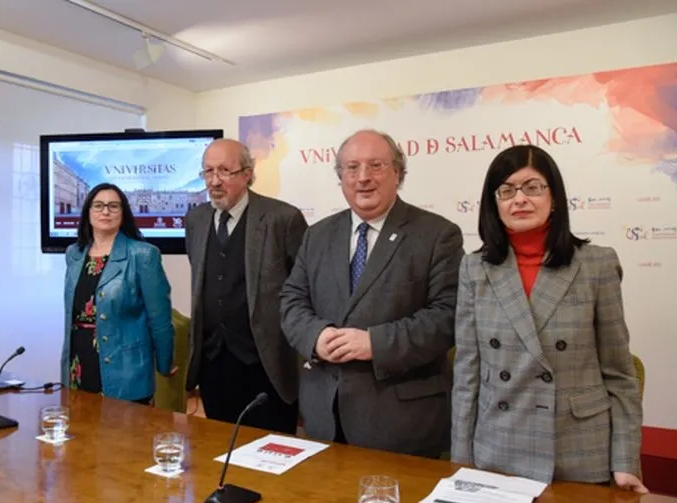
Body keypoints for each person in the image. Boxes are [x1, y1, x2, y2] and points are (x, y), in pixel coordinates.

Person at [451, 144, 647, 491]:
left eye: (533, 187)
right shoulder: (474, 268)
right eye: (507, 190)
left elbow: (620, 374)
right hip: (498, 447)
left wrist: (626, 461)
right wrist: (461, 458)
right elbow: (468, 373)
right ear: (494, 204)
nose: (520, 199)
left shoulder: (596, 264)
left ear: (553, 197)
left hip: (578, 450)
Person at [280, 129, 463, 458]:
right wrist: (316, 337)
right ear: (341, 176)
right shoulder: (317, 235)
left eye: (376, 165)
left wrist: (375, 343)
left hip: (403, 424)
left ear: (398, 172)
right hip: (324, 418)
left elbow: (447, 317)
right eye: (351, 168)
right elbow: (292, 301)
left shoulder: (438, 235)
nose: (363, 178)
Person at [184, 138, 308, 433]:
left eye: (224, 171)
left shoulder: (283, 219)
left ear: (247, 173)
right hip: (213, 364)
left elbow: (304, 290)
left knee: (271, 458)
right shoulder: (196, 219)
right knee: (219, 450)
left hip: (266, 365)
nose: (214, 181)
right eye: (208, 172)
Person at [61, 183, 175, 404]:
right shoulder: (74, 254)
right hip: (79, 363)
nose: (105, 211)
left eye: (114, 206)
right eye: (99, 206)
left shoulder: (143, 255)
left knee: (123, 436)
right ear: (88, 212)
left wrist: (165, 363)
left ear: (123, 213)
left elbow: (159, 318)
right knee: (82, 434)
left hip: (125, 368)